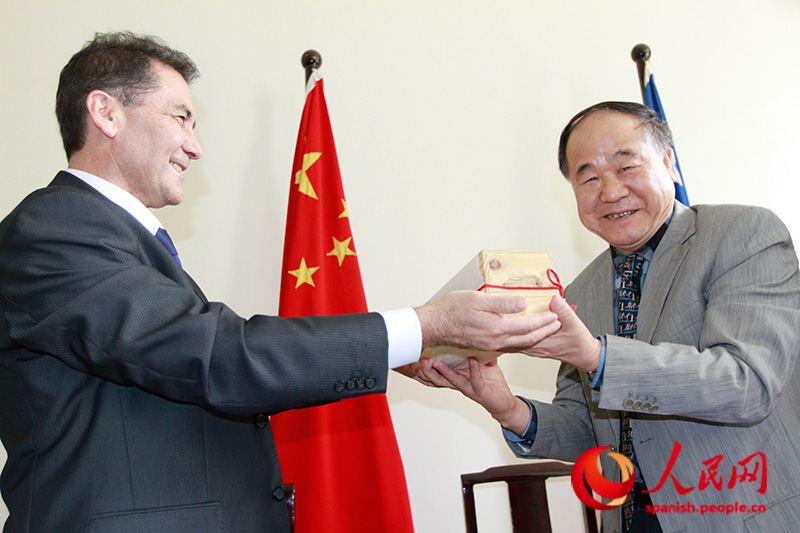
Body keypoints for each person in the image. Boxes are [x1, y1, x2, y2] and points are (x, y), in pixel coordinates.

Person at [0, 32, 562, 533]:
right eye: (180, 117)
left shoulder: (112, 239)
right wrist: (421, 325)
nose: (196, 146)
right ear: (106, 112)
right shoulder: (55, 229)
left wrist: (406, 347)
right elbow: (217, 358)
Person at [419, 102, 800, 533]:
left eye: (626, 166)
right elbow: (591, 432)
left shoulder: (742, 234)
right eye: (588, 177)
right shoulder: (579, 291)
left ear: (669, 162)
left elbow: (746, 383)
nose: (611, 191)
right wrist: (506, 408)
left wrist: (598, 357)